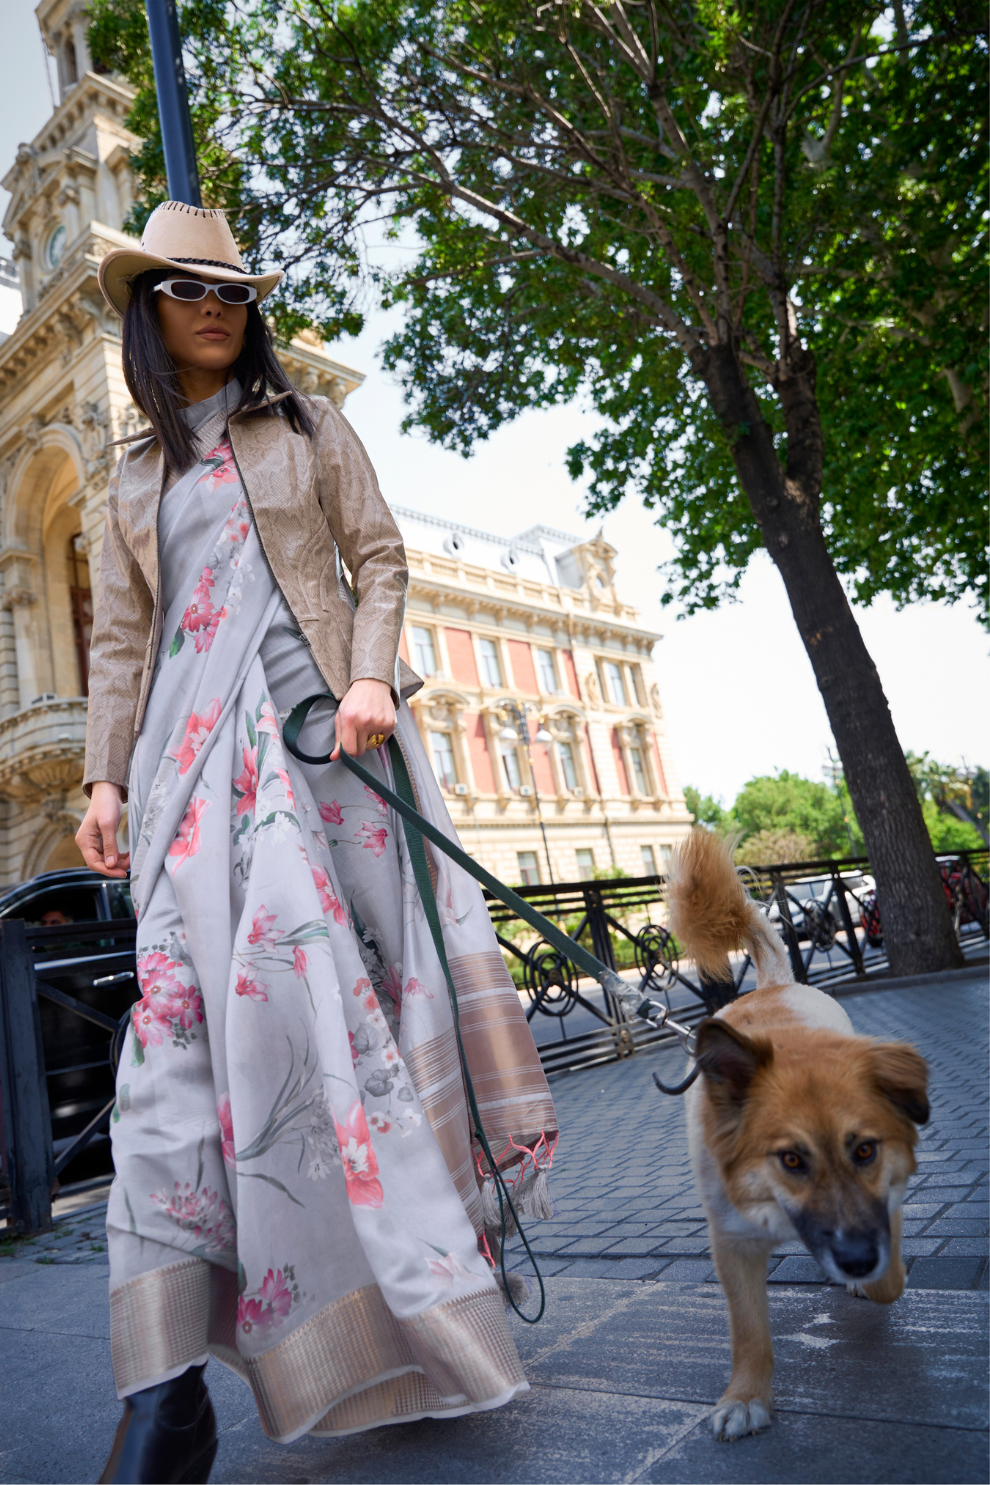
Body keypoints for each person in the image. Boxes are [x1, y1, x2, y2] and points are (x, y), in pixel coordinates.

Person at [78, 202, 557, 1484]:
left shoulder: (306, 426)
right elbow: (120, 642)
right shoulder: (128, 478)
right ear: (149, 310)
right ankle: (165, 1389)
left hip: (327, 744)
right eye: (186, 290)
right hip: (192, 778)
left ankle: (426, 1301)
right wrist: (104, 777)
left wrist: (370, 679)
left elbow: (379, 555)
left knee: (375, 1020)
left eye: (232, 290)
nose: (216, 307)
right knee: (173, 1051)